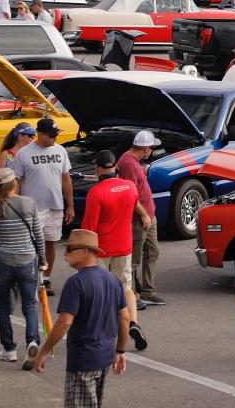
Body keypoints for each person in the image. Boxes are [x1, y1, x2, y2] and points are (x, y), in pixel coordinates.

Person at [32, 229, 131, 408]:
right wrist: (120, 351)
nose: (65, 253)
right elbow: (125, 319)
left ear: (85, 252)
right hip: (105, 357)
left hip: (83, 360)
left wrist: (45, 351)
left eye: (70, 249)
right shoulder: (112, 280)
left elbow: (65, 322)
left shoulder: (75, 283)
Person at [82, 150, 150, 351]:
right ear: (115, 168)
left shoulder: (96, 192)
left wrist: (83, 251)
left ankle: (101, 331)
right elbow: (135, 205)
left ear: (97, 169)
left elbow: (89, 228)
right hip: (124, 245)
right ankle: (133, 323)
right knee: (126, 287)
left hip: (101, 249)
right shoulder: (129, 187)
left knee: (99, 292)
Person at [0, 167, 46, 368]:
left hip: (3, 262)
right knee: (29, 305)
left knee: (3, 307)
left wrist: (3, 243)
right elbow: (39, 234)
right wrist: (43, 260)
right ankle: (32, 340)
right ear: (15, 184)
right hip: (28, 261)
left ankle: (9, 349)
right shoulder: (29, 203)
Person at [13, 118, 73, 297]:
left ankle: (46, 280)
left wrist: (70, 206)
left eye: (56, 134)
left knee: (50, 243)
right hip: (32, 208)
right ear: (40, 134)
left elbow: (66, 178)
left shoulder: (60, 150)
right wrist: (15, 204)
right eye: (51, 135)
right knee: (30, 246)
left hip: (55, 206)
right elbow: (17, 181)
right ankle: (29, 279)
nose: (55, 138)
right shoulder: (24, 154)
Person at [116, 130, 166, 309]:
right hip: (139, 218)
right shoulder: (128, 164)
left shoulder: (134, 162)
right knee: (134, 258)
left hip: (148, 216)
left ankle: (148, 292)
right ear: (145, 149)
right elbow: (130, 195)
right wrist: (144, 214)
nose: (151, 151)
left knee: (152, 252)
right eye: (151, 148)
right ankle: (132, 295)